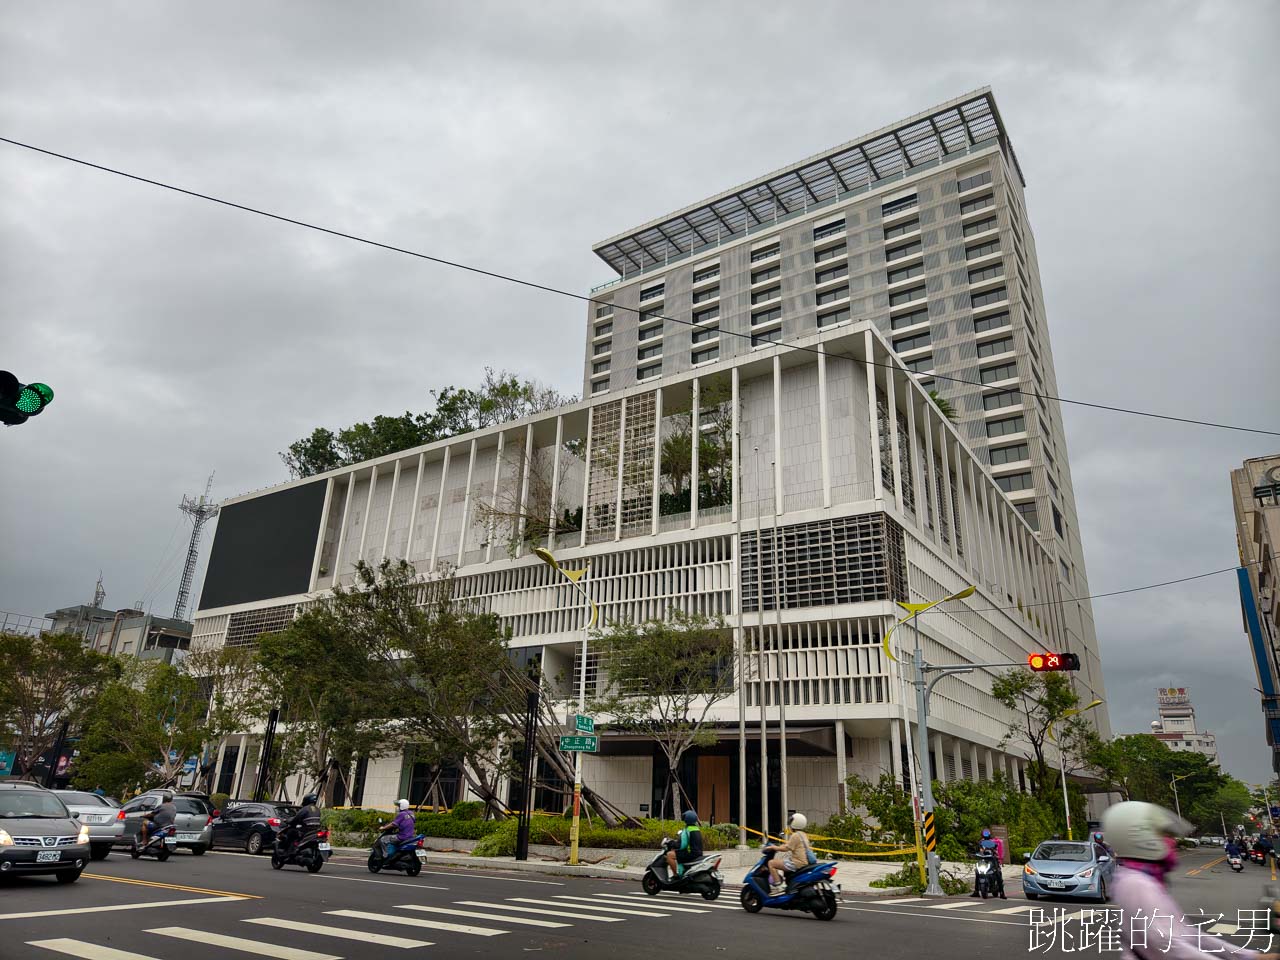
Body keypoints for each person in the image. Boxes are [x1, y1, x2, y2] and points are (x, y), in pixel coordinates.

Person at [1103, 801, 1280, 959]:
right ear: (1138, 837)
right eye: (1160, 834)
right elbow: (1169, 946)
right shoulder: (1137, 883)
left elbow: (1188, 934)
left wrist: (1248, 956)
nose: (1169, 841)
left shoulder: (1144, 879)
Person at [763, 813, 815, 896]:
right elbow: (791, 845)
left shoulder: (795, 835)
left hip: (796, 863)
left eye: (791, 822)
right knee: (783, 862)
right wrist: (781, 845)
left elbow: (786, 848)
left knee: (771, 863)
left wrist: (773, 847)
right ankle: (785, 884)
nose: (790, 825)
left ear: (795, 823)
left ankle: (779, 887)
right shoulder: (803, 835)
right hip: (803, 862)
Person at [665, 810, 703, 881]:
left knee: (670, 855)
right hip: (698, 853)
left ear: (686, 819)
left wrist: (671, 843)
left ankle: (675, 876)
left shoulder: (687, 830)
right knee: (679, 854)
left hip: (690, 853)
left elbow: (682, 845)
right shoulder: (697, 829)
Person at [971, 828, 1007, 899]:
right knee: (977, 872)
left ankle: (1002, 892)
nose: (986, 836)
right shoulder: (980, 842)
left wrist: (997, 856)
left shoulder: (994, 842)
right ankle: (976, 891)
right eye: (985, 835)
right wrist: (976, 854)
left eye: (987, 834)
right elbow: (978, 851)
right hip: (983, 860)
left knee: (998, 873)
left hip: (992, 860)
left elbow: (997, 851)